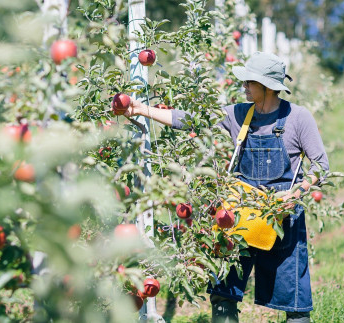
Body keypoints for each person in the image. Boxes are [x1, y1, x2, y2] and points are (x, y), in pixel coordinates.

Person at [121, 51, 329, 323]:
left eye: (248, 82)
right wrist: (140, 109)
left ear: (266, 86)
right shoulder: (239, 114)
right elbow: (194, 119)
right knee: (224, 290)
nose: (243, 86)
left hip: (281, 216)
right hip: (239, 215)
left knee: (295, 299)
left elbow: (321, 165)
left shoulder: (298, 118)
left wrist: (296, 193)